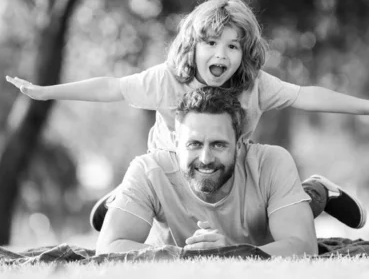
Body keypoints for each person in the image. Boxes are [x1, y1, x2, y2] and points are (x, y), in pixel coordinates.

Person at [6, 0, 369, 230]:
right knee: (169, 224)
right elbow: (111, 87)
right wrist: (45, 92)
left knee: (261, 227)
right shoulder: (167, 80)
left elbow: (307, 95)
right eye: (212, 43)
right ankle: (127, 197)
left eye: (233, 47)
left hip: (232, 176)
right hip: (174, 178)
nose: (222, 54)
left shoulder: (255, 85)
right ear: (193, 47)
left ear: (244, 54)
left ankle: (316, 192)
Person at [96, 86, 317, 257]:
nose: (205, 159)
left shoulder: (271, 162)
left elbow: (305, 247)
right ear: (175, 142)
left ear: (239, 144)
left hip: (274, 202)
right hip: (153, 184)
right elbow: (108, 249)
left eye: (219, 145)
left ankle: (319, 190)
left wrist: (231, 252)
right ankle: (122, 196)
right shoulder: (148, 170)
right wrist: (184, 256)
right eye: (194, 144)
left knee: (309, 201)